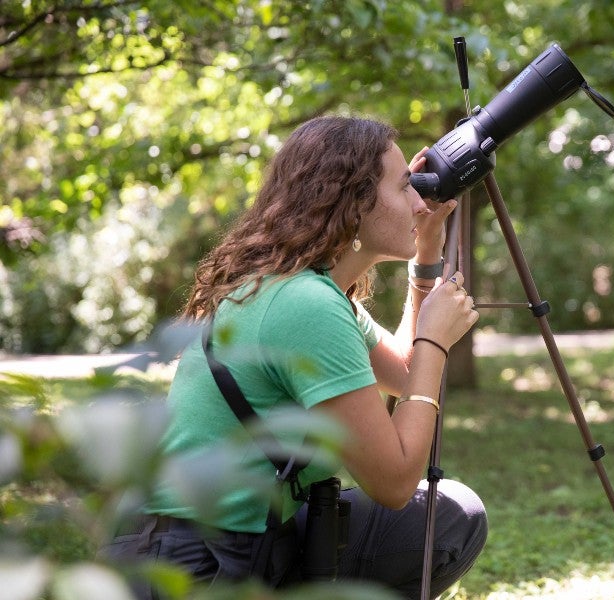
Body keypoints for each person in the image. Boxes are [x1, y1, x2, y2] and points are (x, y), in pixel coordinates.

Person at [100, 116, 487, 599]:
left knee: (449, 517)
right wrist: (434, 339)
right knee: (432, 515)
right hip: (193, 565)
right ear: (352, 203)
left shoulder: (309, 290)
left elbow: (405, 373)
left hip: (242, 542)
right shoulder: (307, 306)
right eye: (404, 186)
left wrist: (425, 260)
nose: (418, 201)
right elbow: (394, 481)